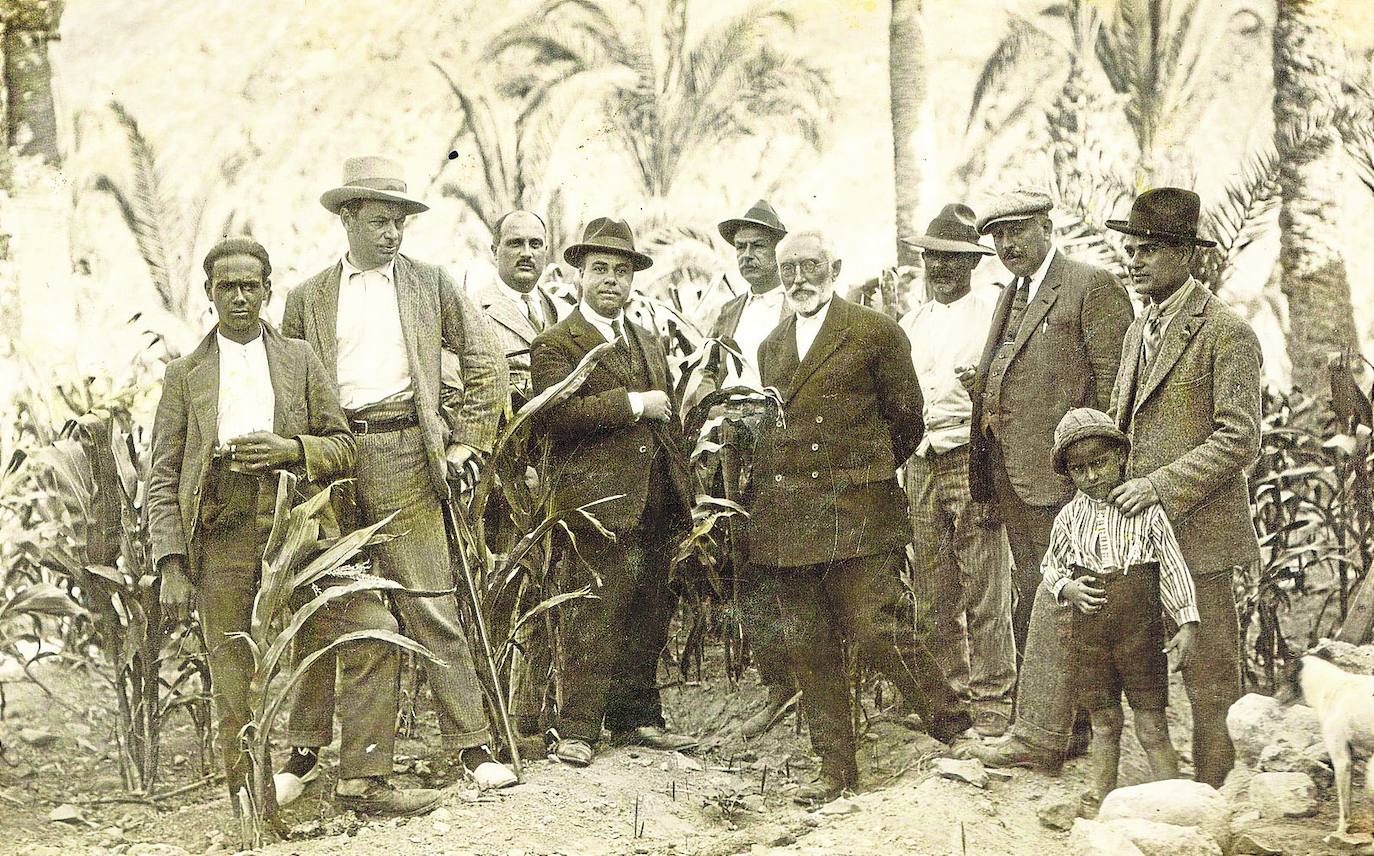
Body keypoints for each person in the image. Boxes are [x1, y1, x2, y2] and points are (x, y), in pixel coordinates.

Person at [148, 238, 441, 816]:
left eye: (249, 285)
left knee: (371, 628)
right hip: (221, 527)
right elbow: (162, 478)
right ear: (208, 293)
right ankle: (253, 810)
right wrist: (172, 564)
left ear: (267, 290)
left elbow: (343, 446)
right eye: (226, 286)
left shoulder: (299, 360)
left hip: (297, 524)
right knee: (235, 675)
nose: (238, 297)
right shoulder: (185, 375)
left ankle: (364, 778)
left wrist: (290, 449)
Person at [279, 155, 516, 791]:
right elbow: (286, 383)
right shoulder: (305, 299)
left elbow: (485, 361)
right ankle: (302, 753)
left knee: (430, 603)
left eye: (400, 222)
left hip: (409, 453)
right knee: (328, 604)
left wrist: (464, 442)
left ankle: (472, 747)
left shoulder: (429, 284)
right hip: (333, 460)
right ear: (347, 218)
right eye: (380, 220)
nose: (392, 233)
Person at [743, 229, 970, 805]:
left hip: (859, 515)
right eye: (789, 268)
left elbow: (907, 422)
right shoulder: (771, 346)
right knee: (809, 644)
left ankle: (951, 726)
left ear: (835, 267)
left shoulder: (874, 333)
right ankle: (836, 769)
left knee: (879, 630)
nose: (799, 279)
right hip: (791, 522)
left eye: (811, 266)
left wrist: (861, 476)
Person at [959, 189, 1133, 773]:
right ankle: (1051, 728)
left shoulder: (1090, 285)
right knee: (1036, 596)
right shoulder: (1012, 294)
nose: (1008, 245)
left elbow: (1115, 391)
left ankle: (1058, 732)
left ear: (1046, 226)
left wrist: (1098, 479)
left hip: (1066, 480)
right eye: (999, 236)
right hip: (1013, 477)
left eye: (1019, 230)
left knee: (1067, 599)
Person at [1104, 187, 1261, 788]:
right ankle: (1175, 793)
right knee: (1146, 668)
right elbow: (1127, 427)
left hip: (1199, 535)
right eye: (1129, 250)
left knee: (1211, 675)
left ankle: (1218, 793)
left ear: (1186, 255)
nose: (1134, 261)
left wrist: (1158, 487)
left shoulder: (1226, 332)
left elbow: (1238, 439)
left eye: (1147, 250)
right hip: (1141, 536)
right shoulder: (1138, 331)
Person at [530, 217, 698, 767]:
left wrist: (683, 497)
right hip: (597, 507)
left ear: (632, 280)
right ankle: (576, 728)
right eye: (599, 269)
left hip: (653, 502)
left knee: (647, 613)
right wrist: (633, 403)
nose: (610, 281)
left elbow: (669, 419)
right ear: (579, 274)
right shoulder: (556, 344)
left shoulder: (647, 340)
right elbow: (555, 417)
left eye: (621, 272)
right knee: (594, 614)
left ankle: (636, 720)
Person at [1042, 408, 1199, 816]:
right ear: (1069, 474)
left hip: (1140, 631)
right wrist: (1069, 588)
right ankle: (1101, 801)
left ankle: (1174, 804)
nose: (1091, 476)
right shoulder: (1068, 519)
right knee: (1105, 721)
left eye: (1100, 463)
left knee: (1151, 723)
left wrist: (1185, 621)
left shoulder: (1144, 511)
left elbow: (1172, 565)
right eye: (1080, 469)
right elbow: (1050, 566)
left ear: (1119, 459)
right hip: (1091, 635)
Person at [899, 204, 1016, 738]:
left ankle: (994, 699)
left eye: (952, 259)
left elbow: (1014, 390)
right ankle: (948, 698)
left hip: (971, 455)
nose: (940, 268)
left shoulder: (994, 314)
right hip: (922, 460)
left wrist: (981, 386)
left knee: (985, 584)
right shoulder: (911, 323)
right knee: (933, 587)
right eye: (932, 258)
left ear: (971, 263)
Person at [704, 200, 797, 738]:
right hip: (737, 450)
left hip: (788, 447)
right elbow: (711, 378)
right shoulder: (728, 314)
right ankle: (776, 683)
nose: (748, 257)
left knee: (799, 563)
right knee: (749, 564)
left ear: (779, 249)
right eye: (740, 249)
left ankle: (816, 680)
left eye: (758, 247)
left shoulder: (802, 307)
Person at [471, 210, 561, 403]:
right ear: (495, 251)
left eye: (535, 244)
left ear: (545, 250)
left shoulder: (559, 308)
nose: (527, 253)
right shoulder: (473, 310)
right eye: (516, 243)